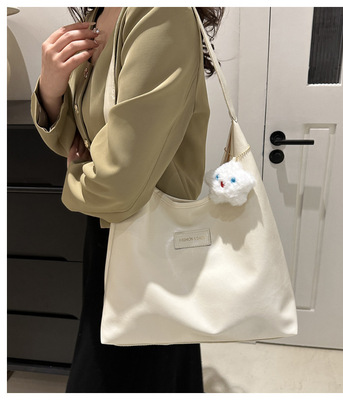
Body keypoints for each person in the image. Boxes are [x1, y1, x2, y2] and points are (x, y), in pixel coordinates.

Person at [30, 7, 225, 393]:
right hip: (106, 233)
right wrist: (51, 86)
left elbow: (118, 186)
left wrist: (74, 179)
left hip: (148, 240)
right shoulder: (99, 12)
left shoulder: (161, 12)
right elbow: (71, 141)